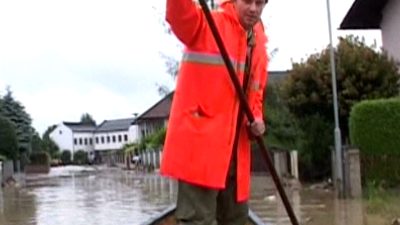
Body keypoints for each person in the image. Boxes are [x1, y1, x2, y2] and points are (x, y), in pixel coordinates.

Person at [160, 0, 269, 224]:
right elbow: (179, 15)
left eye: (260, 3)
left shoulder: (258, 41)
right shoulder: (207, 23)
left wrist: (257, 117)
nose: (253, 8)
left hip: (237, 153)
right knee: (198, 220)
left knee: (237, 220)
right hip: (200, 150)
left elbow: (256, 91)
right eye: (247, 1)